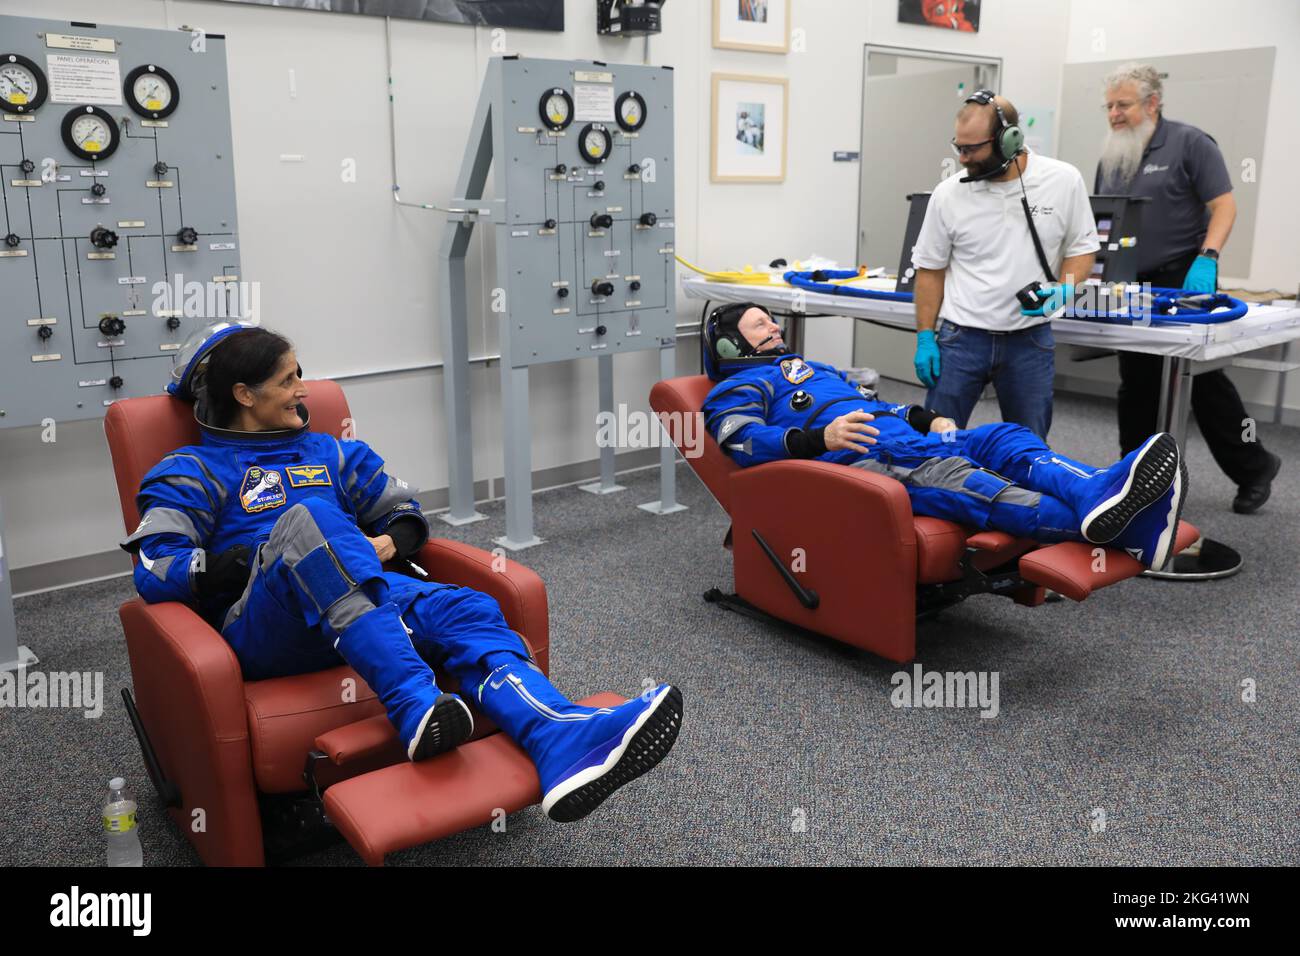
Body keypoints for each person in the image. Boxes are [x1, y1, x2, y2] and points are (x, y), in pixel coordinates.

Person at [121, 321, 682, 823]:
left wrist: (385, 542)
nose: (303, 391)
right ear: (244, 394)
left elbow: (404, 513)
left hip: (366, 595)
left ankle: (557, 735)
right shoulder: (190, 469)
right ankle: (414, 701)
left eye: (302, 377)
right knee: (309, 520)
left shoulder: (333, 453)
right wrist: (255, 558)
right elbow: (155, 563)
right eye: (289, 380)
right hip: (268, 625)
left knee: (466, 607)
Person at [702, 303, 1189, 570]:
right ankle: (1130, 530)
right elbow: (743, 442)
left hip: (912, 439)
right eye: (759, 323)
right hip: (869, 460)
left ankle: (1098, 490)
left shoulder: (816, 367)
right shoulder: (739, 386)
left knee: (1002, 438)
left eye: (769, 317)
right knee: (973, 483)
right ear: (732, 344)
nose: (773, 324)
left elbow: (876, 405)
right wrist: (819, 438)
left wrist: (924, 415)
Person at [1095, 62, 1281, 514]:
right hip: (1130, 282)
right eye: (1110, 106)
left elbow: (1224, 206)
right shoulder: (1113, 155)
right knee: (1136, 381)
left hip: (1183, 276)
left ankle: (1254, 465)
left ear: (1152, 103)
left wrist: (1208, 258)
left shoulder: (1190, 143)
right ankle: (1134, 478)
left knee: (1201, 380)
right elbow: (1102, 218)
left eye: (1124, 104)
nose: (1115, 114)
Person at [910, 91, 1100, 439]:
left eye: (972, 149)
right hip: (961, 337)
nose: (963, 158)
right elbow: (930, 269)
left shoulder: (1063, 180)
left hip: (1030, 341)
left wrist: (1066, 287)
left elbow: (1082, 247)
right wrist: (925, 336)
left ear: (1009, 139)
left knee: (1029, 447)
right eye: (959, 147)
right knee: (936, 443)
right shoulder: (948, 193)